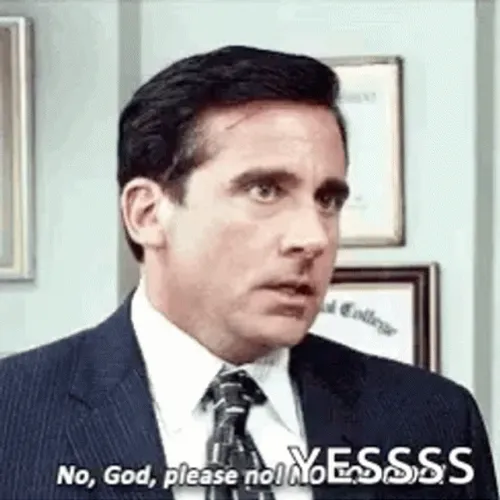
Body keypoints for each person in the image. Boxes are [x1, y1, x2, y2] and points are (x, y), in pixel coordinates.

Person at [0, 45, 497, 500]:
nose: (313, 237)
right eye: (265, 191)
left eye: (327, 200)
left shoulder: (433, 423)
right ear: (147, 214)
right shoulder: (12, 417)